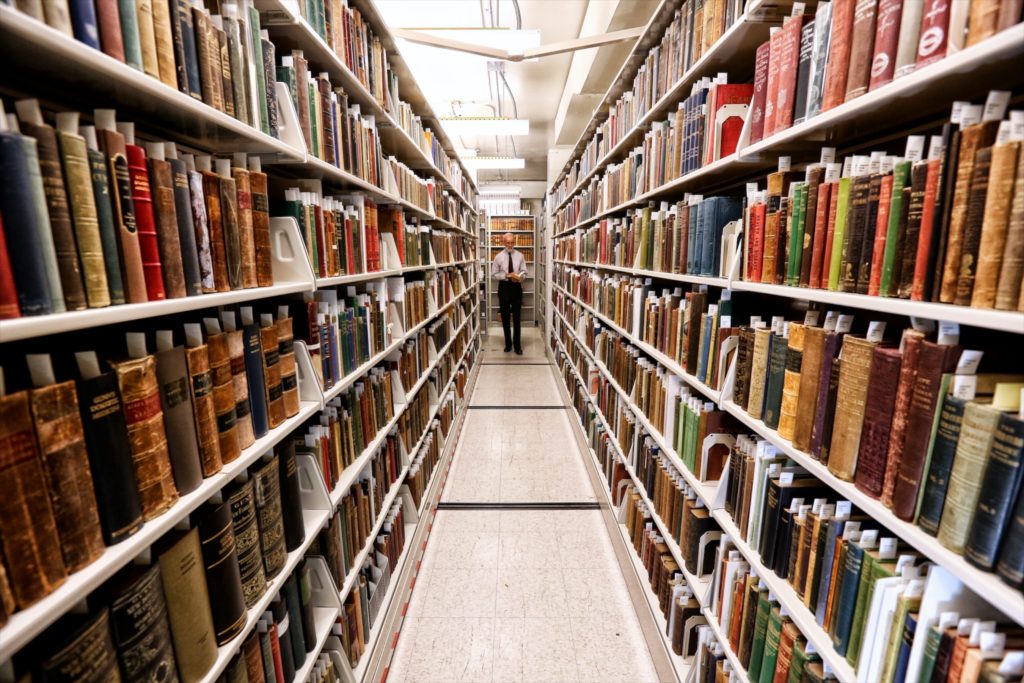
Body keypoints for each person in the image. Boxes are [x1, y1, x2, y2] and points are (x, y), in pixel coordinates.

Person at [491, 231, 528, 354]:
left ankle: (517, 346)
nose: (510, 245)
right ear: (503, 242)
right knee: (505, 318)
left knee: (517, 318)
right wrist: (507, 275)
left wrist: (520, 277)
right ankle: (508, 344)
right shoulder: (498, 257)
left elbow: (524, 272)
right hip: (504, 288)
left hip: (516, 288)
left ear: (515, 242)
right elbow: (494, 275)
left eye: (512, 242)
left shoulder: (520, 256)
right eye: (508, 243)